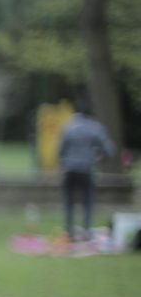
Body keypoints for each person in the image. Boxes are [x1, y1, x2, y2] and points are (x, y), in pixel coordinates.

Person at [58, 98, 115, 240]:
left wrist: (65, 163)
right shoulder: (95, 128)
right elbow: (109, 149)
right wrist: (100, 158)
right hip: (86, 169)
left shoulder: (68, 127)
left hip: (69, 169)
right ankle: (87, 231)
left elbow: (60, 151)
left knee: (69, 202)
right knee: (88, 201)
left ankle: (68, 231)